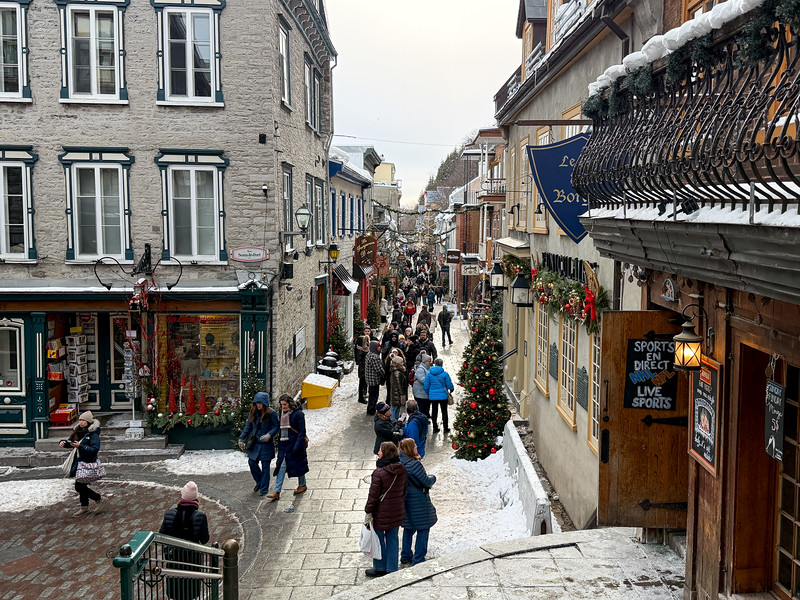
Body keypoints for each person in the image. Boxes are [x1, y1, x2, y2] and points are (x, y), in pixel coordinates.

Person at [364, 441, 409, 577]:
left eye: (380, 451)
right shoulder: (402, 469)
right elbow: (404, 489)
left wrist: (368, 511)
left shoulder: (378, 473)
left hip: (381, 512)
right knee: (393, 538)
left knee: (378, 539)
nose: (378, 453)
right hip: (397, 510)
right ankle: (392, 568)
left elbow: (373, 495)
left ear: (386, 453)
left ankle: (380, 567)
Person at [159, 481, 210, 600]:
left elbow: (161, 536)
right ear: (195, 498)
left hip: (174, 558)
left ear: (182, 496)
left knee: (175, 589)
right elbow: (204, 539)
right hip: (193, 559)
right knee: (191, 589)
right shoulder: (200, 516)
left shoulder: (170, 514)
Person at [398, 439, 437, 566]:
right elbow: (425, 481)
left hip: (405, 500)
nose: (416, 447)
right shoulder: (414, 464)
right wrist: (433, 477)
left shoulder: (400, 463)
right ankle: (418, 558)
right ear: (410, 449)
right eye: (414, 446)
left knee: (409, 528)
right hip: (418, 501)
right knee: (423, 528)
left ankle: (405, 556)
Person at [60, 411, 102, 516]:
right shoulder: (78, 431)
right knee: (81, 485)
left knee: (79, 486)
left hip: (87, 462)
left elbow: (94, 449)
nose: (81, 422)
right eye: (80, 420)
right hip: (79, 462)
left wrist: (81, 446)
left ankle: (97, 498)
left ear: (88, 422)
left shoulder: (93, 434)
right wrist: (64, 443)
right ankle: (85, 506)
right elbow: (71, 442)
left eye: (83, 420)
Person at [267, 394, 308, 501]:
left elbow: (302, 432)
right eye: (281, 405)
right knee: (281, 466)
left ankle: (302, 484)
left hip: (295, 444)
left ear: (289, 403)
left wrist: (298, 446)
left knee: (299, 465)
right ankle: (277, 491)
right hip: (284, 446)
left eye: (284, 404)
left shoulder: (298, 414)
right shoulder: (282, 414)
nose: (283, 407)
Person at [238, 392, 279, 496]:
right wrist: (241, 439)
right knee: (252, 463)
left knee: (265, 467)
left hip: (266, 444)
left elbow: (276, 426)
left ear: (265, 403)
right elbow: (248, 427)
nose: (259, 405)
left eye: (260, 403)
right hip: (255, 443)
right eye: (257, 403)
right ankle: (259, 482)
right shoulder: (253, 413)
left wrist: (269, 435)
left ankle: (264, 489)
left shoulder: (272, 413)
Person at [425, 357, 454, 433]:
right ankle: (445, 427)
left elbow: (426, 386)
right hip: (443, 396)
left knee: (434, 411)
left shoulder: (429, 374)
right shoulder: (444, 374)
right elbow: (449, 384)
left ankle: (435, 427)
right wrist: (451, 389)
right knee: (444, 411)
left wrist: (429, 393)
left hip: (433, 396)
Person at [355, 326, 375, 404]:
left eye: (368, 331)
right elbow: (357, 352)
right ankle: (361, 396)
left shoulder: (373, 340)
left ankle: (365, 393)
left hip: (369, 365)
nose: (367, 332)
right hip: (363, 365)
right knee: (362, 381)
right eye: (365, 331)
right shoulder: (360, 340)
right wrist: (359, 362)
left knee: (367, 381)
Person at [364, 340, 385, 416]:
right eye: (379, 347)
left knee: (371, 395)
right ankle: (371, 410)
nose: (380, 348)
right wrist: (384, 374)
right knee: (374, 396)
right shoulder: (374, 357)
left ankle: (370, 409)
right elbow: (379, 369)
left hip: (370, 379)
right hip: (374, 380)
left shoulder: (369, 355)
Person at [388, 349, 407, 420]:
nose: (403, 363)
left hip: (395, 393)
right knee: (394, 408)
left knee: (396, 407)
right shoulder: (397, 373)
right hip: (397, 393)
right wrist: (402, 394)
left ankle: (396, 420)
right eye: (401, 362)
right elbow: (400, 385)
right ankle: (393, 421)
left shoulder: (396, 371)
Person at [413, 353, 432, 418]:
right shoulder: (420, 369)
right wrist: (431, 380)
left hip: (425, 393)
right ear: (425, 362)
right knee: (421, 408)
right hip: (420, 393)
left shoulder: (428, 368)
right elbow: (422, 380)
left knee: (426, 408)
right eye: (429, 361)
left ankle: (425, 419)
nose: (430, 363)